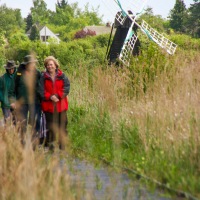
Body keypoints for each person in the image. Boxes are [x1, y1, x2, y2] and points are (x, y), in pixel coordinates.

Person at [39, 56, 70, 152]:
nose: (49, 66)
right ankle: (50, 146)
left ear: (56, 65)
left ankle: (62, 147)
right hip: (48, 107)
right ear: (46, 66)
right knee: (50, 127)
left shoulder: (62, 76)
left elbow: (66, 88)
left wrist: (58, 95)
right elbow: (40, 90)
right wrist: (50, 97)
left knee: (62, 126)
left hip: (61, 105)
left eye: (51, 64)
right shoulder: (43, 77)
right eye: (48, 65)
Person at [14, 55, 41, 144]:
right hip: (22, 102)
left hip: (35, 101)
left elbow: (41, 87)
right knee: (22, 121)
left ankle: (35, 140)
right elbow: (14, 87)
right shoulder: (19, 73)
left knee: (35, 121)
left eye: (32, 63)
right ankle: (22, 140)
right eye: (29, 63)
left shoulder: (38, 73)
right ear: (25, 64)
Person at [0, 60, 17, 125]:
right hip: (6, 104)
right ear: (7, 69)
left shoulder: (17, 77)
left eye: (12, 68)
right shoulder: (2, 78)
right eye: (9, 69)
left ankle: (14, 135)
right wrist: (3, 99)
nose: (11, 70)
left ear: (14, 68)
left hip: (15, 103)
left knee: (16, 123)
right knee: (7, 123)